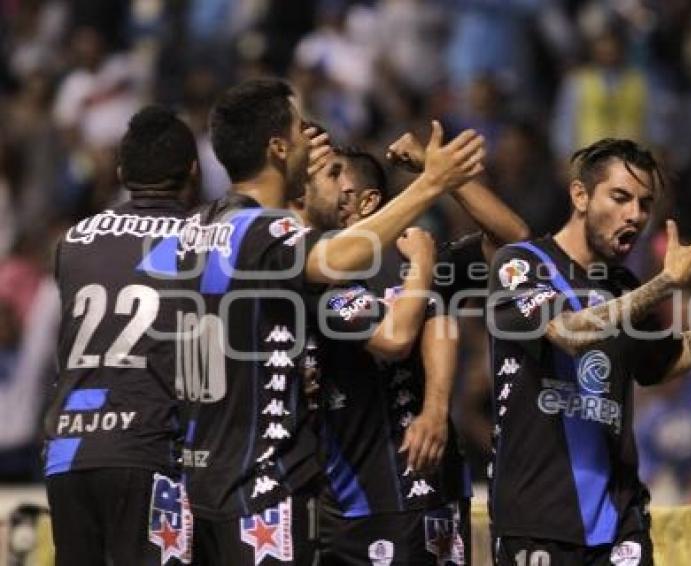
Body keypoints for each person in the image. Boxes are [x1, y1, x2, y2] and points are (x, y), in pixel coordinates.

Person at [170, 78, 485, 565]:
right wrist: (431, 185)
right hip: (262, 486)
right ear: (277, 147)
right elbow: (342, 264)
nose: (312, 144)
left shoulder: (195, 229)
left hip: (202, 475)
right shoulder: (268, 234)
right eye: (301, 133)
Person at [487, 137, 691, 565]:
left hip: (619, 518)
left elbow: (666, 361)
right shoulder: (521, 264)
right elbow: (568, 332)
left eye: (645, 203)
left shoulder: (625, 289)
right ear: (579, 195)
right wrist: (663, 285)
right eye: (620, 197)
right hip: (537, 518)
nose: (635, 215)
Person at [300, 138, 526, 564]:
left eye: (334, 179)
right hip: (348, 490)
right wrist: (423, 266)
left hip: (427, 484)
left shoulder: (414, 256)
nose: (318, 190)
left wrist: (441, 173)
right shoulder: (318, 272)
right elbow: (394, 338)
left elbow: (513, 241)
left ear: (366, 202)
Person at [44, 106, 198, 566]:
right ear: (193, 170)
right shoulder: (201, 239)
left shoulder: (74, 240)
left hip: (68, 451)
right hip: (148, 446)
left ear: (120, 171)